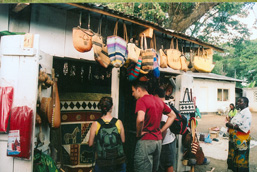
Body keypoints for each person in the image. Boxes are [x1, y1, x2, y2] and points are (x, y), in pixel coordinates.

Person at [131, 81, 176, 172]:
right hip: (158, 142)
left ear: (139, 90)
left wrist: (138, 134)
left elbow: (140, 119)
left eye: (133, 91)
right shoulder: (158, 101)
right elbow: (173, 116)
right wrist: (161, 130)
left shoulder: (141, 100)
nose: (132, 94)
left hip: (146, 141)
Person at [88, 97, 126, 172]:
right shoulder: (118, 122)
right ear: (111, 107)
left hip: (102, 163)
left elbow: (90, 144)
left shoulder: (95, 124)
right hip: (118, 162)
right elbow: (123, 140)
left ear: (101, 108)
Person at [225, 97, 252, 172]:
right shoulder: (240, 112)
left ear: (245, 103)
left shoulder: (247, 113)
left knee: (241, 156)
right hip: (235, 139)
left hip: (241, 140)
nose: (238, 103)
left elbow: (245, 128)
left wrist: (232, 126)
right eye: (238, 101)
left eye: (240, 102)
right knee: (235, 155)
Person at [154, 87, 176, 172]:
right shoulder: (168, 103)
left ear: (155, 95)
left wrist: (160, 142)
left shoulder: (162, 106)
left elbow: (164, 126)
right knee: (168, 164)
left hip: (165, 142)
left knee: (166, 165)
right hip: (171, 139)